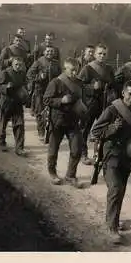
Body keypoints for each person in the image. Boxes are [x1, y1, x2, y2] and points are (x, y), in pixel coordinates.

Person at [90, 81, 131, 243]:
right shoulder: (112, 110)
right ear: (123, 94)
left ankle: (113, 220)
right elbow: (95, 131)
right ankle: (111, 226)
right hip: (112, 154)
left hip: (128, 156)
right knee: (115, 188)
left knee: (121, 189)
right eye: (130, 94)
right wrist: (113, 128)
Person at [42, 58, 85, 187]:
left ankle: (70, 175)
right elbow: (46, 99)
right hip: (58, 120)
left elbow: (80, 100)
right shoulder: (56, 82)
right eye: (72, 70)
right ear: (65, 68)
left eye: (76, 70)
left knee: (77, 148)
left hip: (73, 120)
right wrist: (61, 100)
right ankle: (53, 173)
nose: (74, 73)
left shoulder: (79, 83)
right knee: (54, 149)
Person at [77, 44, 117, 165]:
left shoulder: (109, 69)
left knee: (103, 129)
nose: (102, 56)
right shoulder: (87, 68)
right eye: (99, 53)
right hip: (90, 103)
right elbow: (78, 85)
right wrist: (91, 87)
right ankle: (83, 154)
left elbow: (113, 85)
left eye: (104, 54)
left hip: (104, 103)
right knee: (85, 129)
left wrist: (112, 93)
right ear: (94, 54)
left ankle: (98, 155)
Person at [0, 56, 29, 156]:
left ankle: (19, 148)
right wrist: (6, 87)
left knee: (19, 124)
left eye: (20, 65)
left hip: (17, 102)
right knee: (3, 123)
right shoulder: (5, 73)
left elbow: (25, 85)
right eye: (16, 64)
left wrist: (25, 93)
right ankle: (2, 142)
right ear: (12, 64)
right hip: (6, 102)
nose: (18, 66)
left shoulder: (22, 74)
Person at [27, 46, 62, 142]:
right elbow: (29, 74)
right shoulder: (38, 62)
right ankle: (41, 131)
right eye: (48, 51)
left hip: (52, 91)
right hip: (40, 91)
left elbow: (60, 76)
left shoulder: (56, 63)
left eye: (52, 51)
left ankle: (51, 132)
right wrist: (39, 76)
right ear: (44, 52)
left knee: (52, 112)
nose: (50, 53)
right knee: (40, 112)